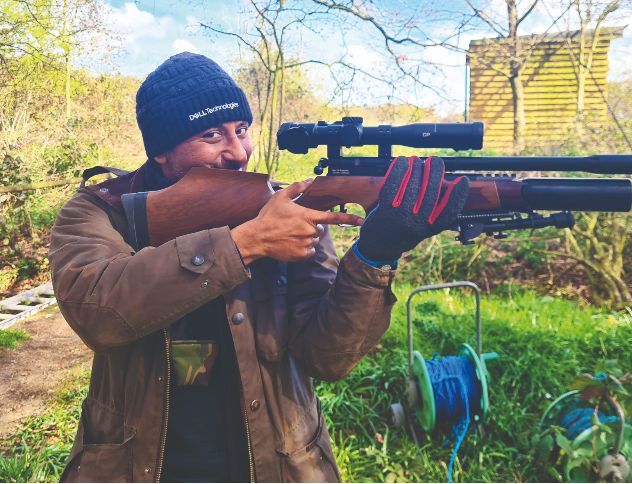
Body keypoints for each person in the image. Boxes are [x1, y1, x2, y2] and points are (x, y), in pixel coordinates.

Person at [49, 52, 467, 483]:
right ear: (161, 150)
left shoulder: (285, 210)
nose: (238, 152)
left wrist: (374, 257)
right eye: (212, 135)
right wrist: (246, 243)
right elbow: (97, 311)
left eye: (242, 130)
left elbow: (327, 358)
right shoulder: (102, 212)